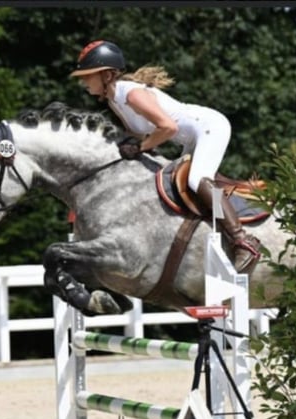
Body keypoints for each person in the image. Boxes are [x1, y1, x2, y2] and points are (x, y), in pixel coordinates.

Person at [69, 40, 261, 273]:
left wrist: (140, 148)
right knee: (178, 188)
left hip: (209, 127)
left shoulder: (130, 93)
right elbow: (138, 133)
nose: (83, 81)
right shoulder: (114, 100)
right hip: (190, 138)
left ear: (107, 75)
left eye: (88, 75)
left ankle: (243, 241)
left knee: (196, 180)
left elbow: (167, 127)